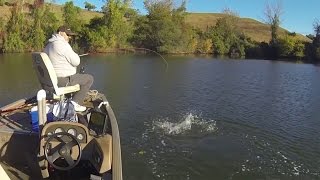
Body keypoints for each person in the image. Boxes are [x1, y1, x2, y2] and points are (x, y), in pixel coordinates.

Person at [44, 26, 93, 112]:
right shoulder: (62, 44)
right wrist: (76, 55)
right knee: (89, 79)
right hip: (63, 80)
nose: (69, 37)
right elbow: (76, 62)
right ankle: (75, 104)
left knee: (78, 78)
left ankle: (67, 100)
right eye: (67, 34)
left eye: (70, 35)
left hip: (52, 81)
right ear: (60, 33)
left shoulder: (48, 45)